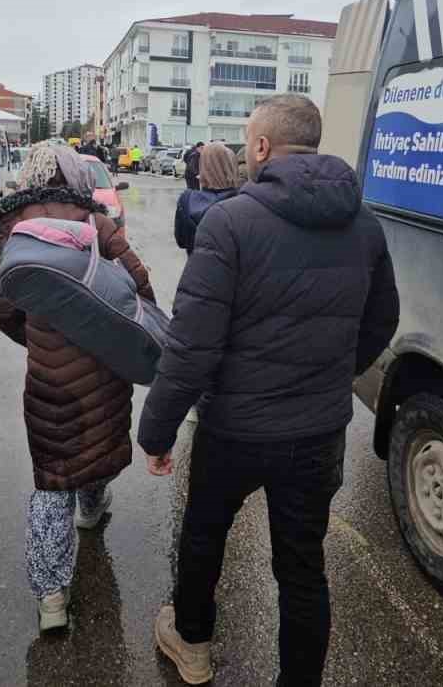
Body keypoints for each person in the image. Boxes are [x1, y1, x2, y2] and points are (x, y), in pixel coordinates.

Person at [139, 95, 399, 686]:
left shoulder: (228, 222)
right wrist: (332, 372)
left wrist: (156, 431)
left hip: (235, 429)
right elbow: (381, 321)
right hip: (318, 432)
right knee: (302, 567)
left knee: (205, 535)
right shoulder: (365, 224)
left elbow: (192, 345)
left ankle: (193, 646)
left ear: (260, 147)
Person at [0, 143, 155, 633]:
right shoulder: (96, 222)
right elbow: (139, 286)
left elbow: (5, 306)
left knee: (52, 477)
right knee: (97, 445)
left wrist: (38, 341)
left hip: (50, 383)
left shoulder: (17, 229)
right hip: (104, 370)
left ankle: (51, 598)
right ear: (77, 177)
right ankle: (92, 507)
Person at [174, 142, 237, 256]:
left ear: (203, 166)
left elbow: (181, 241)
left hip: (196, 262)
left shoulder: (187, 200)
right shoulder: (243, 201)